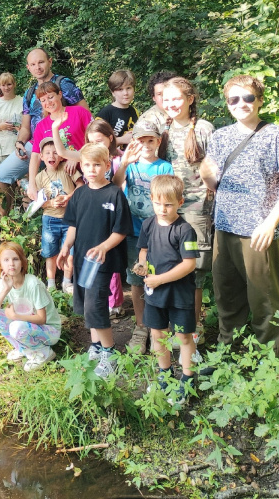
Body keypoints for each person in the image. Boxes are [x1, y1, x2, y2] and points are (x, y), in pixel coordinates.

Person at [201, 75, 279, 351]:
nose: (241, 104)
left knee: (264, 298)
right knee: (226, 295)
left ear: (259, 100)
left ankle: (270, 359)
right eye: (234, 99)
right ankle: (228, 351)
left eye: (247, 98)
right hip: (224, 227)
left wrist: (270, 223)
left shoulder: (276, 135)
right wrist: (205, 174)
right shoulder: (220, 137)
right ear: (227, 103)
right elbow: (213, 183)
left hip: (259, 230)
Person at [58, 144, 133, 378]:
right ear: (81, 165)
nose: (91, 169)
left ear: (107, 165)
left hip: (102, 261)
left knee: (96, 304)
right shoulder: (79, 193)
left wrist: (103, 246)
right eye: (87, 164)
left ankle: (110, 352)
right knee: (83, 304)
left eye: (97, 164)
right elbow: (73, 225)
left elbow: (121, 230)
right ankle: (96, 346)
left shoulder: (114, 194)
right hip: (81, 258)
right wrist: (66, 246)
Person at [0, 48, 87, 216]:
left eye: (41, 62)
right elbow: (26, 127)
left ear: (50, 61)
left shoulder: (63, 84)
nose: (38, 67)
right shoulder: (30, 93)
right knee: (0, 176)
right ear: (28, 68)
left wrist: (76, 153)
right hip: (38, 144)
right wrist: (20, 141)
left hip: (68, 145)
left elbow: (86, 121)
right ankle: (5, 223)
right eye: (33, 64)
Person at [133, 174, 200, 406]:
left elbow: (189, 264)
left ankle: (188, 377)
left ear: (180, 203)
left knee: (183, 336)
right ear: (151, 199)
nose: (163, 209)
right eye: (158, 203)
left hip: (179, 295)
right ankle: (165, 374)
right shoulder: (148, 224)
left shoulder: (185, 230)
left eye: (169, 204)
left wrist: (160, 279)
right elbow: (143, 250)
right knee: (157, 334)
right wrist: (142, 264)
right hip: (154, 294)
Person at [160, 76, 214, 349]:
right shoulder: (163, 127)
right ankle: (176, 331)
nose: (171, 104)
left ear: (190, 100)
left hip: (196, 207)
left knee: (194, 273)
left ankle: (193, 333)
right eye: (166, 99)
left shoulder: (203, 128)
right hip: (170, 208)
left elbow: (214, 168)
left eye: (177, 99)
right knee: (171, 267)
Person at [111, 127, 175, 352]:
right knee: (136, 279)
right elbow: (116, 184)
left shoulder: (165, 166)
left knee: (159, 277)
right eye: (141, 141)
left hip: (159, 232)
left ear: (158, 142)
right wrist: (125, 162)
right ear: (133, 142)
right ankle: (140, 327)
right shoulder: (131, 165)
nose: (146, 146)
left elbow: (170, 195)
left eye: (150, 141)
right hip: (133, 231)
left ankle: (160, 326)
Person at [0, 241, 62, 372]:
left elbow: (42, 319)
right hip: (27, 325)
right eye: (6, 260)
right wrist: (6, 289)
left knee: (16, 326)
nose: (11, 264)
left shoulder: (33, 284)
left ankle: (44, 353)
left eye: (15, 259)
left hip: (50, 331)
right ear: (0, 264)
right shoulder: (4, 283)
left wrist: (15, 316)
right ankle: (23, 348)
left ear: (22, 262)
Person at [25, 82, 91, 203]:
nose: (48, 102)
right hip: (62, 178)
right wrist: (32, 184)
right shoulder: (41, 126)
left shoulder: (79, 112)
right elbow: (35, 155)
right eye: (43, 100)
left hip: (88, 169)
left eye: (50, 97)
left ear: (60, 95)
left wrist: (76, 156)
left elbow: (95, 138)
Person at [33, 138, 81, 290]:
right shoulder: (39, 177)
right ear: (41, 157)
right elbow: (40, 202)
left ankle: (67, 282)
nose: (51, 156)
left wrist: (69, 197)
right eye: (47, 153)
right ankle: (51, 285)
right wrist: (51, 203)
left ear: (61, 156)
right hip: (50, 219)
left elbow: (81, 185)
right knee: (50, 253)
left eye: (55, 153)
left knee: (70, 252)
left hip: (69, 219)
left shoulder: (67, 167)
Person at [0, 72, 23, 169]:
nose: (6, 88)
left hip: (18, 146)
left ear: (14, 84)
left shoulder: (22, 101)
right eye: (3, 85)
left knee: (20, 179)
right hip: (0, 147)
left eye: (9, 84)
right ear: (0, 86)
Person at [97, 70, 139, 147]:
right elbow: (95, 144)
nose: (125, 93)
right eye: (120, 89)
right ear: (113, 92)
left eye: (128, 88)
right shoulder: (105, 113)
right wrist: (121, 140)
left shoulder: (134, 111)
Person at [135, 70, 178, 135]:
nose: (164, 97)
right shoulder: (147, 120)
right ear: (154, 98)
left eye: (167, 92)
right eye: (159, 94)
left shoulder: (181, 111)